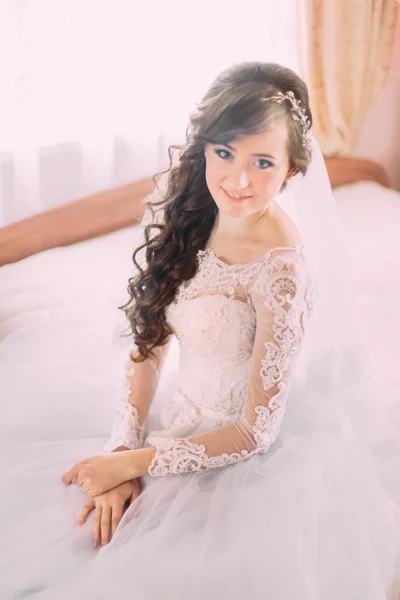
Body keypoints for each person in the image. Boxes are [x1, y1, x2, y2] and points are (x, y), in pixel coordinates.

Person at [1, 61, 400, 599]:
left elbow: (253, 434)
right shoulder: (191, 209)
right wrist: (122, 444)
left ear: (290, 171)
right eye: (225, 153)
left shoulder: (281, 270)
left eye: (262, 161)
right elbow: (149, 342)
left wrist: (133, 462)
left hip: (237, 454)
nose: (238, 180)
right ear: (204, 148)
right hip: (171, 418)